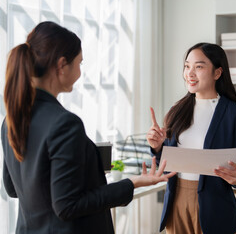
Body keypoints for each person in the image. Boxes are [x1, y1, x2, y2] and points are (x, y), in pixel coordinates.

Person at [1, 21, 176, 234]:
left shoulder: (11, 119)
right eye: (80, 63)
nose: (80, 71)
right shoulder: (64, 124)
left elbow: (13, 188)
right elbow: (67, 206)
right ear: (62, 65)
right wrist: (133, 182)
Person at [147, 42, 236, 234]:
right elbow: (166, 163)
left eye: (199, 67)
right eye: (187, 66)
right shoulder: (176, 111)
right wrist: (157, 146)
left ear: (217, 73)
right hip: (177, 202)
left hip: (215, 206)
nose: (190, 73)